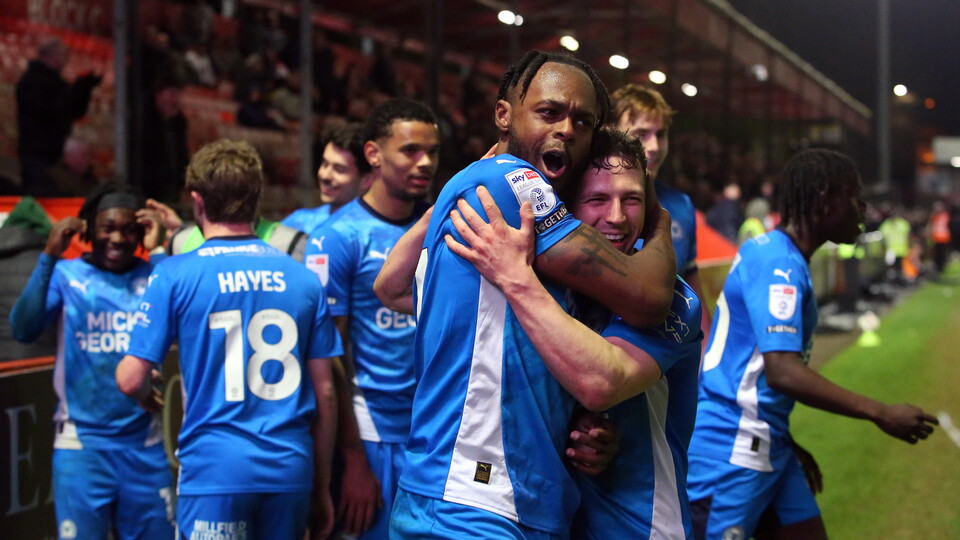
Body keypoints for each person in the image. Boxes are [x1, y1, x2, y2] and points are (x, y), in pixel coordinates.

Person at [377, 49, 677, 538]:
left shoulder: (502, 198)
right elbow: (647, 296)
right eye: (549, 112)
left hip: (512, 496)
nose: (566, 130)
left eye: (583, 121)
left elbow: (389, 286)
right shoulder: (511, 182)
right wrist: (661, 220)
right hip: (472, 501)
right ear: (503, 115)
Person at [443, 128, 703, 538]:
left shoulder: (676, 299)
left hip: (645, 527)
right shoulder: (554, 287)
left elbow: (601, 382)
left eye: (631, 199)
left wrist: (516, 279)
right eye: (598, 200)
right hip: (555, 522)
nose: (616, 217)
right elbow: (389, 287)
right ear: (565, 209)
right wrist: (464, 183)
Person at [686, 149, 938, 540]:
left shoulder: (778, 254)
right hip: (731, 449)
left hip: (767, 439)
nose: (863, 206)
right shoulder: (778, 265)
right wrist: (880, 412)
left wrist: (782, 438)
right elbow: (782, 371)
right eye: (854, 195)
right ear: (824, 200)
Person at [115, 139, 342, 539]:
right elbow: (325, 394)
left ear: (197, 201)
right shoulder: (304, 280)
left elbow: (130, 379)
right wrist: (321, 488)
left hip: (214, 471)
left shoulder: (175, 273)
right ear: (256, 200)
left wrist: (143, 393)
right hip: (289, 469)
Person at [302, 98, 438, 539]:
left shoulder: (442, 227)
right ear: (374, 154)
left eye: (432, 152)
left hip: (435, 430)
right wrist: (354, 459)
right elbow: (329, 356)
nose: (425, 162)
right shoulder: (337, 238)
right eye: (411, 150)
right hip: (371, 433)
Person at [9, 183, 173, 539]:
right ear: (89, 230)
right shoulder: (68, 277)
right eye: (108, 228)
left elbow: (179, 317)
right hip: (82, 448)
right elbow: (22, 328)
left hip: (143, 447)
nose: (118, 238)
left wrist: (159, 248)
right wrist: (49, 256)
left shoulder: (153, 278)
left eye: (129, 229)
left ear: (141, 231)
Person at [611, 84, 712, 352]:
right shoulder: (590, 202)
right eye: (642, 134)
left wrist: (705, 354)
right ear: (612, 133)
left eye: (662, 134)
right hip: (608, 354)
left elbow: (691, 289)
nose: (654, 146)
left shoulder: (681, 206)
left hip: (669, 361)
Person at [16, 37, 102, 196]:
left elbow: (74, 111)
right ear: (50, 56)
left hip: (53, 151)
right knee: (43, 195)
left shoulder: (55, 82)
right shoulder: (33, 82)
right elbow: (51, 109)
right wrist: (76, 89)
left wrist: (83, 89)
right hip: (38, 152)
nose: (64, 60)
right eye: (62, 55)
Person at [282, 122, 372, 235]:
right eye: (325, 164)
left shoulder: (379, 234)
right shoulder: (298, 222)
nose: (325, 175)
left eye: (339, 169)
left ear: (367, 180)